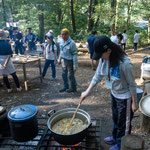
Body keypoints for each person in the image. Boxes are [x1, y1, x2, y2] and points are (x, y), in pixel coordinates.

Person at [80, 35, 138, 150]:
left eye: (101, 54)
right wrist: (87, 91)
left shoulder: (125, 64)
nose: (99, 58)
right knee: (116, 118)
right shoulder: (104, 59)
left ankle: (121, 144)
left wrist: (134, 102)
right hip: (114, 93)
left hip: (125, 97)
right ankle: (115, 137)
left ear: (109, 50)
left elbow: (132, 84)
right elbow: (97, 76)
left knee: (124, 124)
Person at [58, 28, 78, 92]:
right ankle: (66, 87)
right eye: (62, 35)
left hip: (70, 61)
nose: (63, 36)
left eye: (65, 35)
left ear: (68, 35)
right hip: (64, 60)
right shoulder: (61, 41)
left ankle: (73, 88)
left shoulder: (72, 43)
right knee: (64, 74)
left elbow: (74, 54)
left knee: (70, 75)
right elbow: (61, 51)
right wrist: (59, 59)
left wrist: (75, 65)